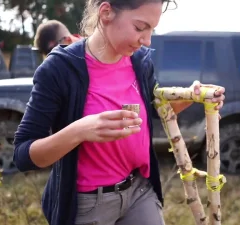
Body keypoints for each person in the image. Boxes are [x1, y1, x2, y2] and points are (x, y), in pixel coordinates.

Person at [13, 1, 225, 225]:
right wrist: (80, 130)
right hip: (88, 205)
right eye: (140, 27)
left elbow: (155, 111)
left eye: (152, 29)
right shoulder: (59, 70)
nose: (147, 40)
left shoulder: (140, 62)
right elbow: (23, 155)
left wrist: (192, 97)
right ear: (106, 13)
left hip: (139, 191)